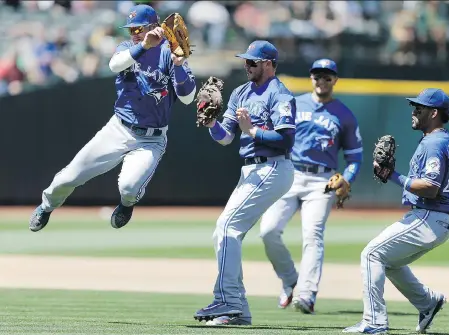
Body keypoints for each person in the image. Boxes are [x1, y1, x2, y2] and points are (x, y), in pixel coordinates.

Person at [29, 4, 196, 232]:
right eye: (132, 30)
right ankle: (46, 207)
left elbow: (187, 98)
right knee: (69, 176)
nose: (135, 33)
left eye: (139, 29)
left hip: (151, 138)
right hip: (119, 129)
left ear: (154, 27)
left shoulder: (170, 53)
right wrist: (145, 45)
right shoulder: (128, 47)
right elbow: (114, 64)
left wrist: (178, 65)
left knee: (129, 186)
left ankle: (127, 205)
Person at [193, 40, 296, 326]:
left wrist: (252, 130)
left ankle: (228, 301)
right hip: (251, 171)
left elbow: (286, 138)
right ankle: (239, 309)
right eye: (245, 60)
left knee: (228, 227)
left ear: (267, 63)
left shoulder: (280, 94)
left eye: (252, 61)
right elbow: (225, 138)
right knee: (223, 232)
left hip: (274, 167)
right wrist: (211, 121)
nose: (246, 65)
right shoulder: (240, 92)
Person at [343, 88, 449, 334]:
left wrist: (392, 175)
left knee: (371, 255)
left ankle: (374, 322)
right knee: (389, 262)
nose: (414, 111)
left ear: (434, 113)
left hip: (430, 215)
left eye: (420, 108)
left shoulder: (435, 142)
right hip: (434, 217)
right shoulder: (437, 139)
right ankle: (428, 302)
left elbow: (430, 188)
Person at [259, 59, 363, 314]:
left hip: (321, 181)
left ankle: (307, 294)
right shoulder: (295, 104)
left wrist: (347, 177)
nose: (322, 81)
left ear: (335, 80)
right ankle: (290, 279)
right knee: (268, 231)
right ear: (311, 78)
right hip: (289, 173)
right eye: (318, 76)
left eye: (328, 77)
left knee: (312, 234)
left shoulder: (345, 115)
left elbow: (354, 157)